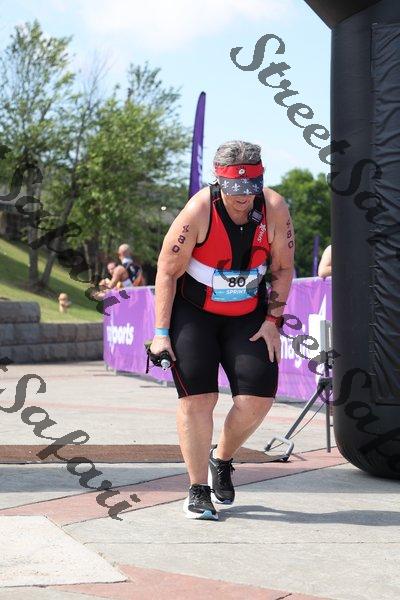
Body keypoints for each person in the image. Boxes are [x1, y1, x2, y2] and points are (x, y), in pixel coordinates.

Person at [150, 140, 295, 521]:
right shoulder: (199, 209)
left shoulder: (274, 208)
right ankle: (198, 489)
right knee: (199, 399)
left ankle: (222, 458)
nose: (244, 197)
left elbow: (282, 268)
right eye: (234, 188)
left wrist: (272, 322)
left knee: (257, 398)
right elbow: (167, 270)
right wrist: (161, 332)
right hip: (194, 313)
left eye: (252, 186)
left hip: (247, 314)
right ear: (219, 181)